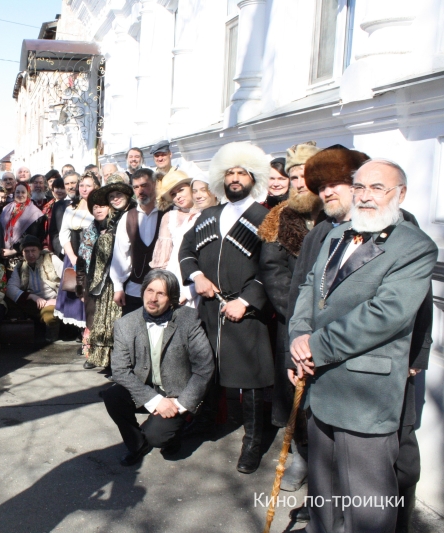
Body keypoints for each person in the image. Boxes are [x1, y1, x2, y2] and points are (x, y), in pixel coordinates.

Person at [288, 159, 437, 533]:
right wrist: (297, 337)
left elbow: (385, 314)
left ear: (400, 194)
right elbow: (310, 288)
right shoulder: (337, 234)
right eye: (359, 188)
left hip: (364, 397)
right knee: (324, 498)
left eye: (377, 188)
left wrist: (314, 346)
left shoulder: (415, 247)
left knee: (366, 508)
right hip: (320, 386)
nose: (365, 197)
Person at [178, 142, 274, 474]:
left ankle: (253, 442)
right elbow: (186, 252)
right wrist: (197, 276)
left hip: (244, 313)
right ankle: (205, 422)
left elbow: (273, 271)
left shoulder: (266, 218)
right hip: (208, 309)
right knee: (208, 370)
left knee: (251, 381)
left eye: (241, 172)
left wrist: (246, 301)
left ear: (253, 177)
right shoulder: (208, 215)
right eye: (229, 172)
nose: (235, 178)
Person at [103, 270, 215, 466]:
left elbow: (204, 367)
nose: (153, 298)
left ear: (171, 298)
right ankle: (137, 445)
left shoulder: (188, 319)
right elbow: (120, 370)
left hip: (176, 393)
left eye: (160, 294)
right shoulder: (125, 324)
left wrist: (180, 405)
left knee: (159, 438)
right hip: (145, 389)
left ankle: (172, 433)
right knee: (112, 396)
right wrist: (154, 401)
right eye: (149, 291)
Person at [258, 141, 321, 428]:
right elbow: (273, 269)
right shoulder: (280, 216)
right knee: (293, 385)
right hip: (292, 317)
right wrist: (298, 314)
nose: (298, 183)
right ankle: (298, 448)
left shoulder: (335, 213)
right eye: (293, 177)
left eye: (304, 176)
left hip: (332, 322)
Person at [79, 174, 135, 369]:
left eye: (118, 194)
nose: (115, 199)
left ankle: (118, 365)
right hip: (104, 279)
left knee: (118, 322)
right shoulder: (109, 221)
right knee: (103, 318)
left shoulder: (132, 215)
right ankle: (103, 359)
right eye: (111, 196)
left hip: (124, 277)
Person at [110, 168, 164, 315]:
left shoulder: (167, 214)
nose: (140, 191)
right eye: (136, 187)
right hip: (134, 290)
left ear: (154, 185)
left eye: (144, 185)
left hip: (162, 292)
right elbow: (120, 255)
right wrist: (118, 287)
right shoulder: (128, 217)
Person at [55, 172, 99, 329]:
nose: (84, 189)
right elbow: (63, 235)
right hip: (73, 256)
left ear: (96, 187)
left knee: (90, 297)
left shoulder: (100, 208)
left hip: (93, 258)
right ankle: (82, 336)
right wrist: (73, 257)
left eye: (88, 185)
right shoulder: (71, 207)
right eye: (82, 185)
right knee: (75, 295)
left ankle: (89, 336)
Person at [150, 169, 200, 305]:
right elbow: (163, 256)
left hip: (198, 277)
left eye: (181, 190)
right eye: (173, 194)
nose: (178, 196)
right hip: (174, 276)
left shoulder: (207, 214)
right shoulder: (169, 217)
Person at [75, 189, 112, 360]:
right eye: (95, 206)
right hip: (91, 281)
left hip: (111, 282)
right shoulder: (91, 229)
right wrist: (81, 286)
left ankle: (108, 357)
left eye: (102, 206)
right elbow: (81, 260)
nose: (98, 210)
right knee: (91, 316)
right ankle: (92, 354)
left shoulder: (115, 227)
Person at [5, 235, 63, 343]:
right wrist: (32, 296)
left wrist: (57, 300)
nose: (30, 254)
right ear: (22, 253)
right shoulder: (20, 266)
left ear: (39, 250)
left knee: (49, 316)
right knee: (7, 300)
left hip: (52, 300)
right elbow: (10, 288)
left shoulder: (51, 259)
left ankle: (51, 339)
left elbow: (67, 280)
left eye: (33, 250)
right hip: (33, 301)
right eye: (26, 251)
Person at [0, 182, 46, 269]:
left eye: (23, 192)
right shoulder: (6, 209)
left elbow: (32, 236)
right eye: (17, 192)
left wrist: (13, 251)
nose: (20, 195)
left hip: (24, 256)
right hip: (4, 255)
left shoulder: (35, 213)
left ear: (28, 194)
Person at [45, 177, 69, 255]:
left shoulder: (70, 205)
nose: (59, 191)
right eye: (56, 188)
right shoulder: (47, 206)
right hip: (50, 246)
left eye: (62, 188)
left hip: (64, 247)